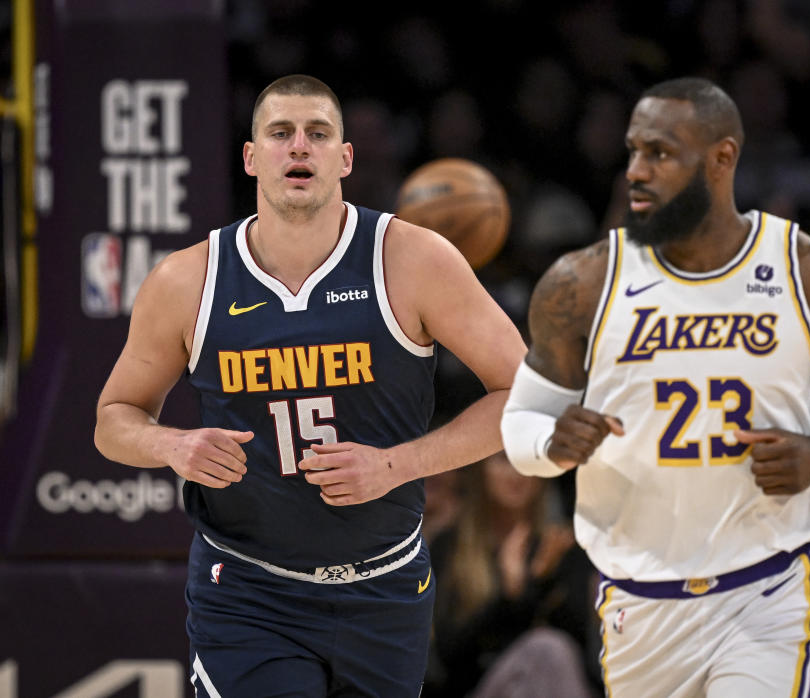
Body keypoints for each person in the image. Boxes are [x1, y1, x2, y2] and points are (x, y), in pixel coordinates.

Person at [94, 75, 526, 698]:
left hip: (386, 586)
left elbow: (521, 393)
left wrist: (398, 465)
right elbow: (113, 417)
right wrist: (172, 447)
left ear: (345, 158)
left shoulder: (412, 260)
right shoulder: (188, 281)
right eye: (280, 133)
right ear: (250, 156)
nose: (299, 147)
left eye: (318, 134)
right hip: (248, 589)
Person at [500, 76, 810, 698]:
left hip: (772, 587)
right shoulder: (581, 282)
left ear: (722, 158)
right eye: (633, 150)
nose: (636, 172)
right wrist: (553, 443)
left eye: (660, 153)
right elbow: (521, 423)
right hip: (637, 600)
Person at [424, 451, 597, 698]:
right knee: (546, 649)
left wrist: (542, 581)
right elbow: (449, 659)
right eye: (504, 460)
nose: (517, 472)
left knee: (550, 650)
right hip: (478, 687)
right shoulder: (449, 546)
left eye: (527, 460)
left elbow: (581, 652)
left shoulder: (561, 546)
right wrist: (508, 596)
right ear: (481, 469)